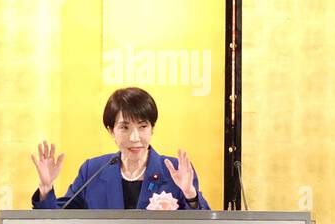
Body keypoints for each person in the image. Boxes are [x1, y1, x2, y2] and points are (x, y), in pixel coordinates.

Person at [30, 86, 210, 210]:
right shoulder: (92, 171)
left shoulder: (174, 170)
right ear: (111, 131)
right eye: (124, 127)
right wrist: (45, 188)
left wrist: (189, 194)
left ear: (152, 128)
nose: (135, 137)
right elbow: (56, 222)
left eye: (143, 127)